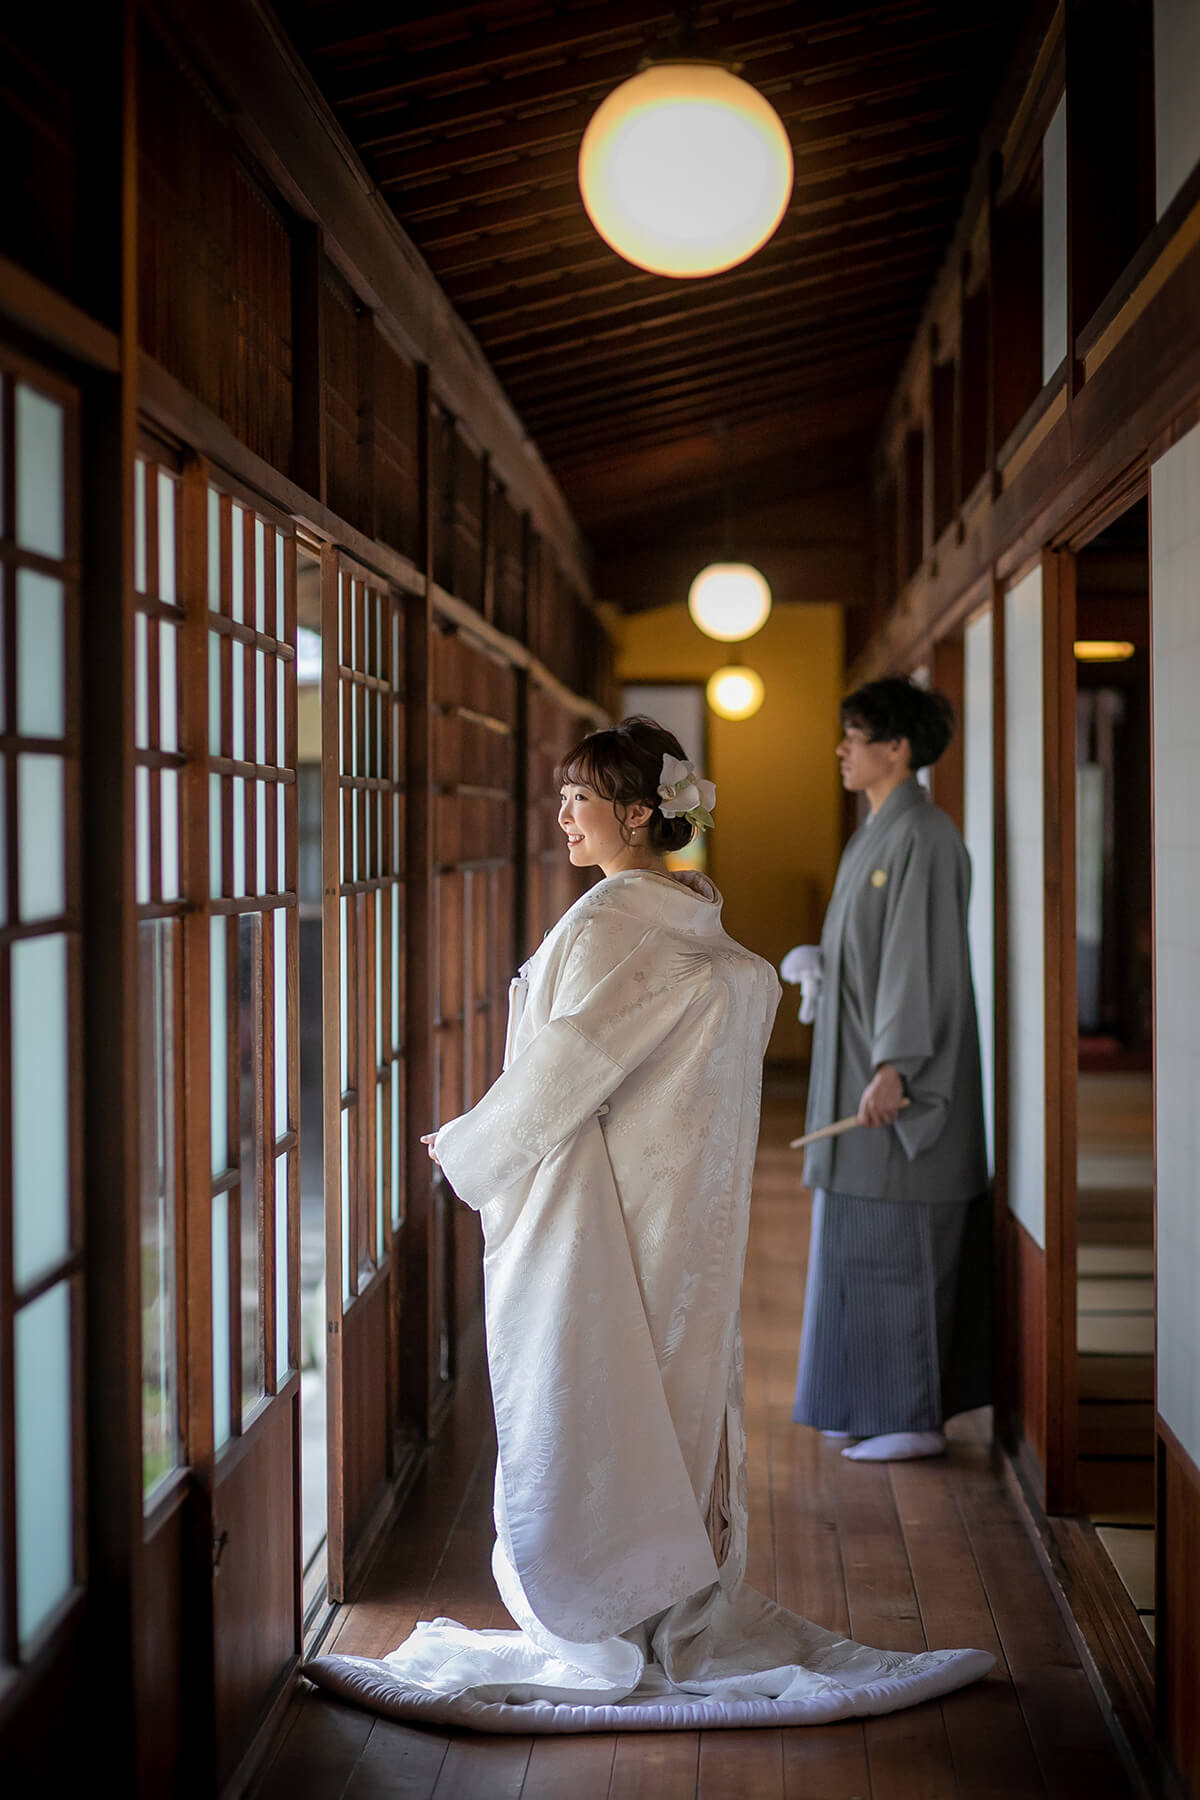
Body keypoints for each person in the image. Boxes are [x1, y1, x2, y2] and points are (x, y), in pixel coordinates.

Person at [306, 716, 991, 1732]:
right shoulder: (689, 911)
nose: (563, 815)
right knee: (667, 1388)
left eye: (582, 796)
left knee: (589, 1393)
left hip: (611, 1208)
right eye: (564, 794)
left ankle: (608, 1606)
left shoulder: (608, 922)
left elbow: (563, 1068)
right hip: (677, 1207)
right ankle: (666, 1599)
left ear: (639, 813)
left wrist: (470, 1143)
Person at [784, 678, 991, 1463]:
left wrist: (897, 1065)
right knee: (854, 1238)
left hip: (897, 1080)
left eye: (856, 734)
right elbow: (870, 956)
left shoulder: (925, 835)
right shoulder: (877, 831)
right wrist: (820, 967)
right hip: (862, 1066)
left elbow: (919, 962)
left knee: (901, 1244)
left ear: (897, 748)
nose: (842, 748)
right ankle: (856, 1401)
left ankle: (911, 1413)